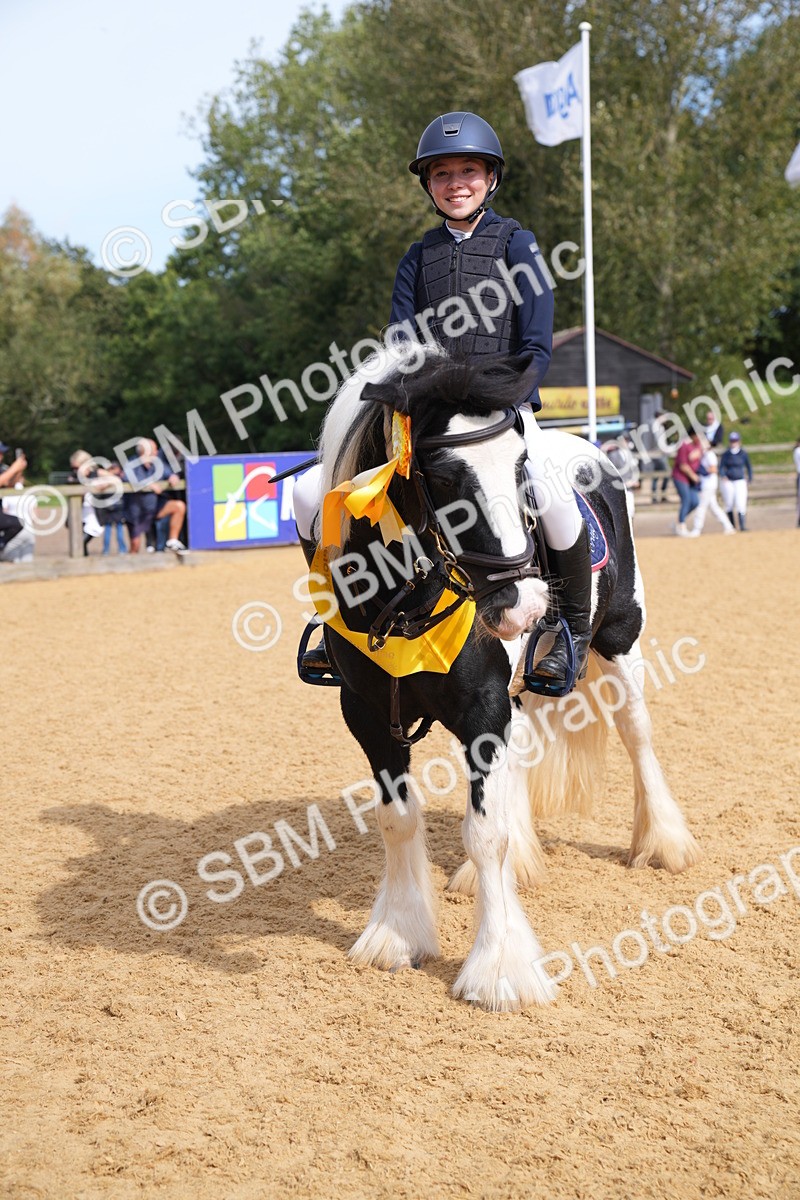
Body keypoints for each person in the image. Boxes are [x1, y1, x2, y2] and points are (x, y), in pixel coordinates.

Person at [296, 111, 592, 690]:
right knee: (312, 492)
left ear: (491, 179)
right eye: (443, 173)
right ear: (428, 185)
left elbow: (534, 344)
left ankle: (570, 628)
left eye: (469, 171)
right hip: (428, 420)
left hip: (501, 415)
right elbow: (400, 344)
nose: (456, 182)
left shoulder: (518, 244)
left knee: (553, 496)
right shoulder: (417, 256)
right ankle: (336, 621)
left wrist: (508, 398)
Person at [692, 436, 735, 536]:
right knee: (714, 507)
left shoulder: (710, 455)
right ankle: (728, 526)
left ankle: (697, 529)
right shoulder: (704, 455)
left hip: (709, 485)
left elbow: (714, 469)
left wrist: (703, 471)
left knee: (701, 506)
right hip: (707, 484)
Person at [719, 431, 753, 532]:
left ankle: (742, 526)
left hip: (740, 480)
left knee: (740, 502)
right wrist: (723, 475)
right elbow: (721, 467)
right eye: (732, 441)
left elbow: (748, 466)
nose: (733, 443)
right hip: (729, 481)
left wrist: (750, 478)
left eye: (735, 440)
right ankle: (732, 526)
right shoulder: (726, 454)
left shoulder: (743, 453)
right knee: (729, 503)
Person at [671, 429, 703, 536]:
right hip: (681, 477)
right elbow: (683, 466)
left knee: (695, 502)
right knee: (686, 500)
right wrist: (694, 476)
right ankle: (681, 526)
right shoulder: (684, 446)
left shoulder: (698, 445)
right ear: (693, 435)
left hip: (690, 479)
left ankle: (678, 521)